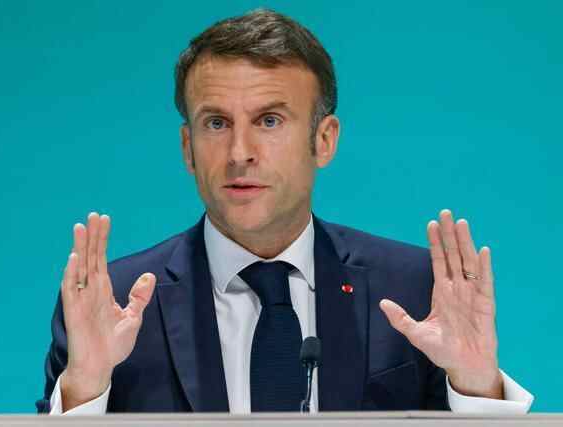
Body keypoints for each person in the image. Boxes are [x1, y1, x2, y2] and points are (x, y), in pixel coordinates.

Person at [36, 9, 533, 415]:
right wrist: (86, 389)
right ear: (188, 148)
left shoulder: (413, 289)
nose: (239, 153)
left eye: (269, 120)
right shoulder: (115, 303)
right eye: (216, 123)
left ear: (324, 140)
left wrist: (476, 387)